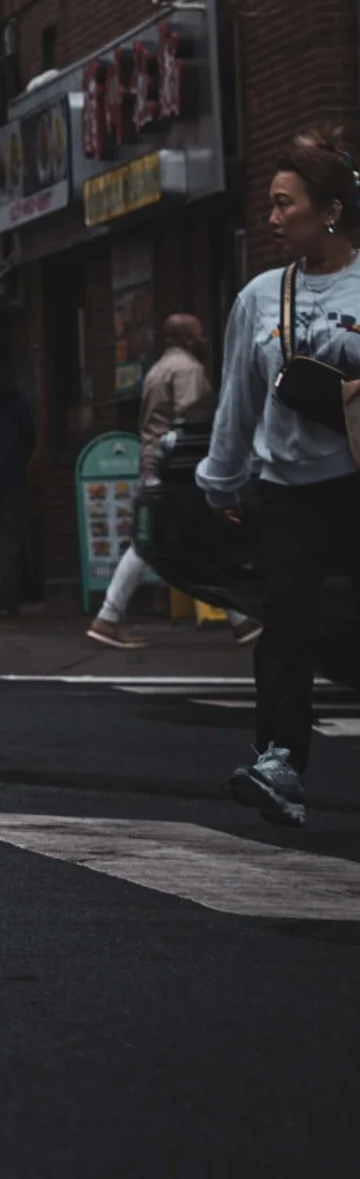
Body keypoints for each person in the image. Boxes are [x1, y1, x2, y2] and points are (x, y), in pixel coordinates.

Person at [196, 131, 360, 829]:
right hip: (285, 491)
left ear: (328, 210)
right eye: (269, 204)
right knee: (286, 625)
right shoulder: (263, 295)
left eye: (282, 204)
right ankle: (278, 763)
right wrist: (222, 480)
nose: (270, 218)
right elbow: (238, 396)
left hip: (353, 482)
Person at [88, 314, 213, 646]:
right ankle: (108, 616)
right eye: (200, 333)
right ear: (187, 339)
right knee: (149, 544)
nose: (205, 338)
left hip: (156, 461)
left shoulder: (159, 368)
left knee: (193, 541)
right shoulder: (188, 370)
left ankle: (244, 621)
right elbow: (193, 415)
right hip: (177, 467)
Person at [0, 360, 40, 615]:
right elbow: (30, 439)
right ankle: (4, 599)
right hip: (12, 477)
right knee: (9, 540)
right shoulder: (17, 402)